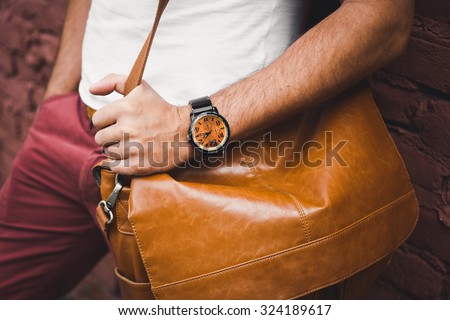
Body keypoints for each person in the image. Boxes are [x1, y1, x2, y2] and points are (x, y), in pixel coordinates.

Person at [0, 0, 414, 299]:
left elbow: (382, 19)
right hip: (74, 126)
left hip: (214, 171)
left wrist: (188, 130)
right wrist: (58, 94)